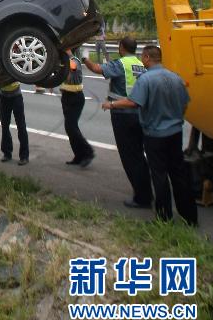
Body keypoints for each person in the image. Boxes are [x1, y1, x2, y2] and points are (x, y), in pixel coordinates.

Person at [102, 44, 197, 226]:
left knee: (159, 175)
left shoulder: (145, 80)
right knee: (179, 173)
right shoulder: (175, 77)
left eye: (143, 57)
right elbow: (185, 103)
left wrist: (111, 104)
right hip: (175, 133)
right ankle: (190, 217)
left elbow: (133, 102)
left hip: (155, 134)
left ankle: (164, 218)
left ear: (146, 57)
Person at [83, 36, 153, 208]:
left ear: (121, 47)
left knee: (130, 157)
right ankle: (146, 192)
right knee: (139, 155)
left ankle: (142, 198)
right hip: (140, 115)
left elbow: (97, 68)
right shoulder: (140, 64)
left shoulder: (120, 64)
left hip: (123, 115)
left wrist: (84, 58)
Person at [60, 48, 94, 167]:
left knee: (71, 127)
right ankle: (78, 156)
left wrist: (66, 60)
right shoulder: (65, 61)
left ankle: (88, 152)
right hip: (66, 97)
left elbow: (71, 71)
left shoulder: (74, 60)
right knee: (70, 128)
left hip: (75, 98)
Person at [0, 82, 29, 165]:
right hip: (3, 96)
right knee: (4, 126)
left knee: (21, 126)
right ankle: (7, 153)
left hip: (16, 96)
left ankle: (24, 156)